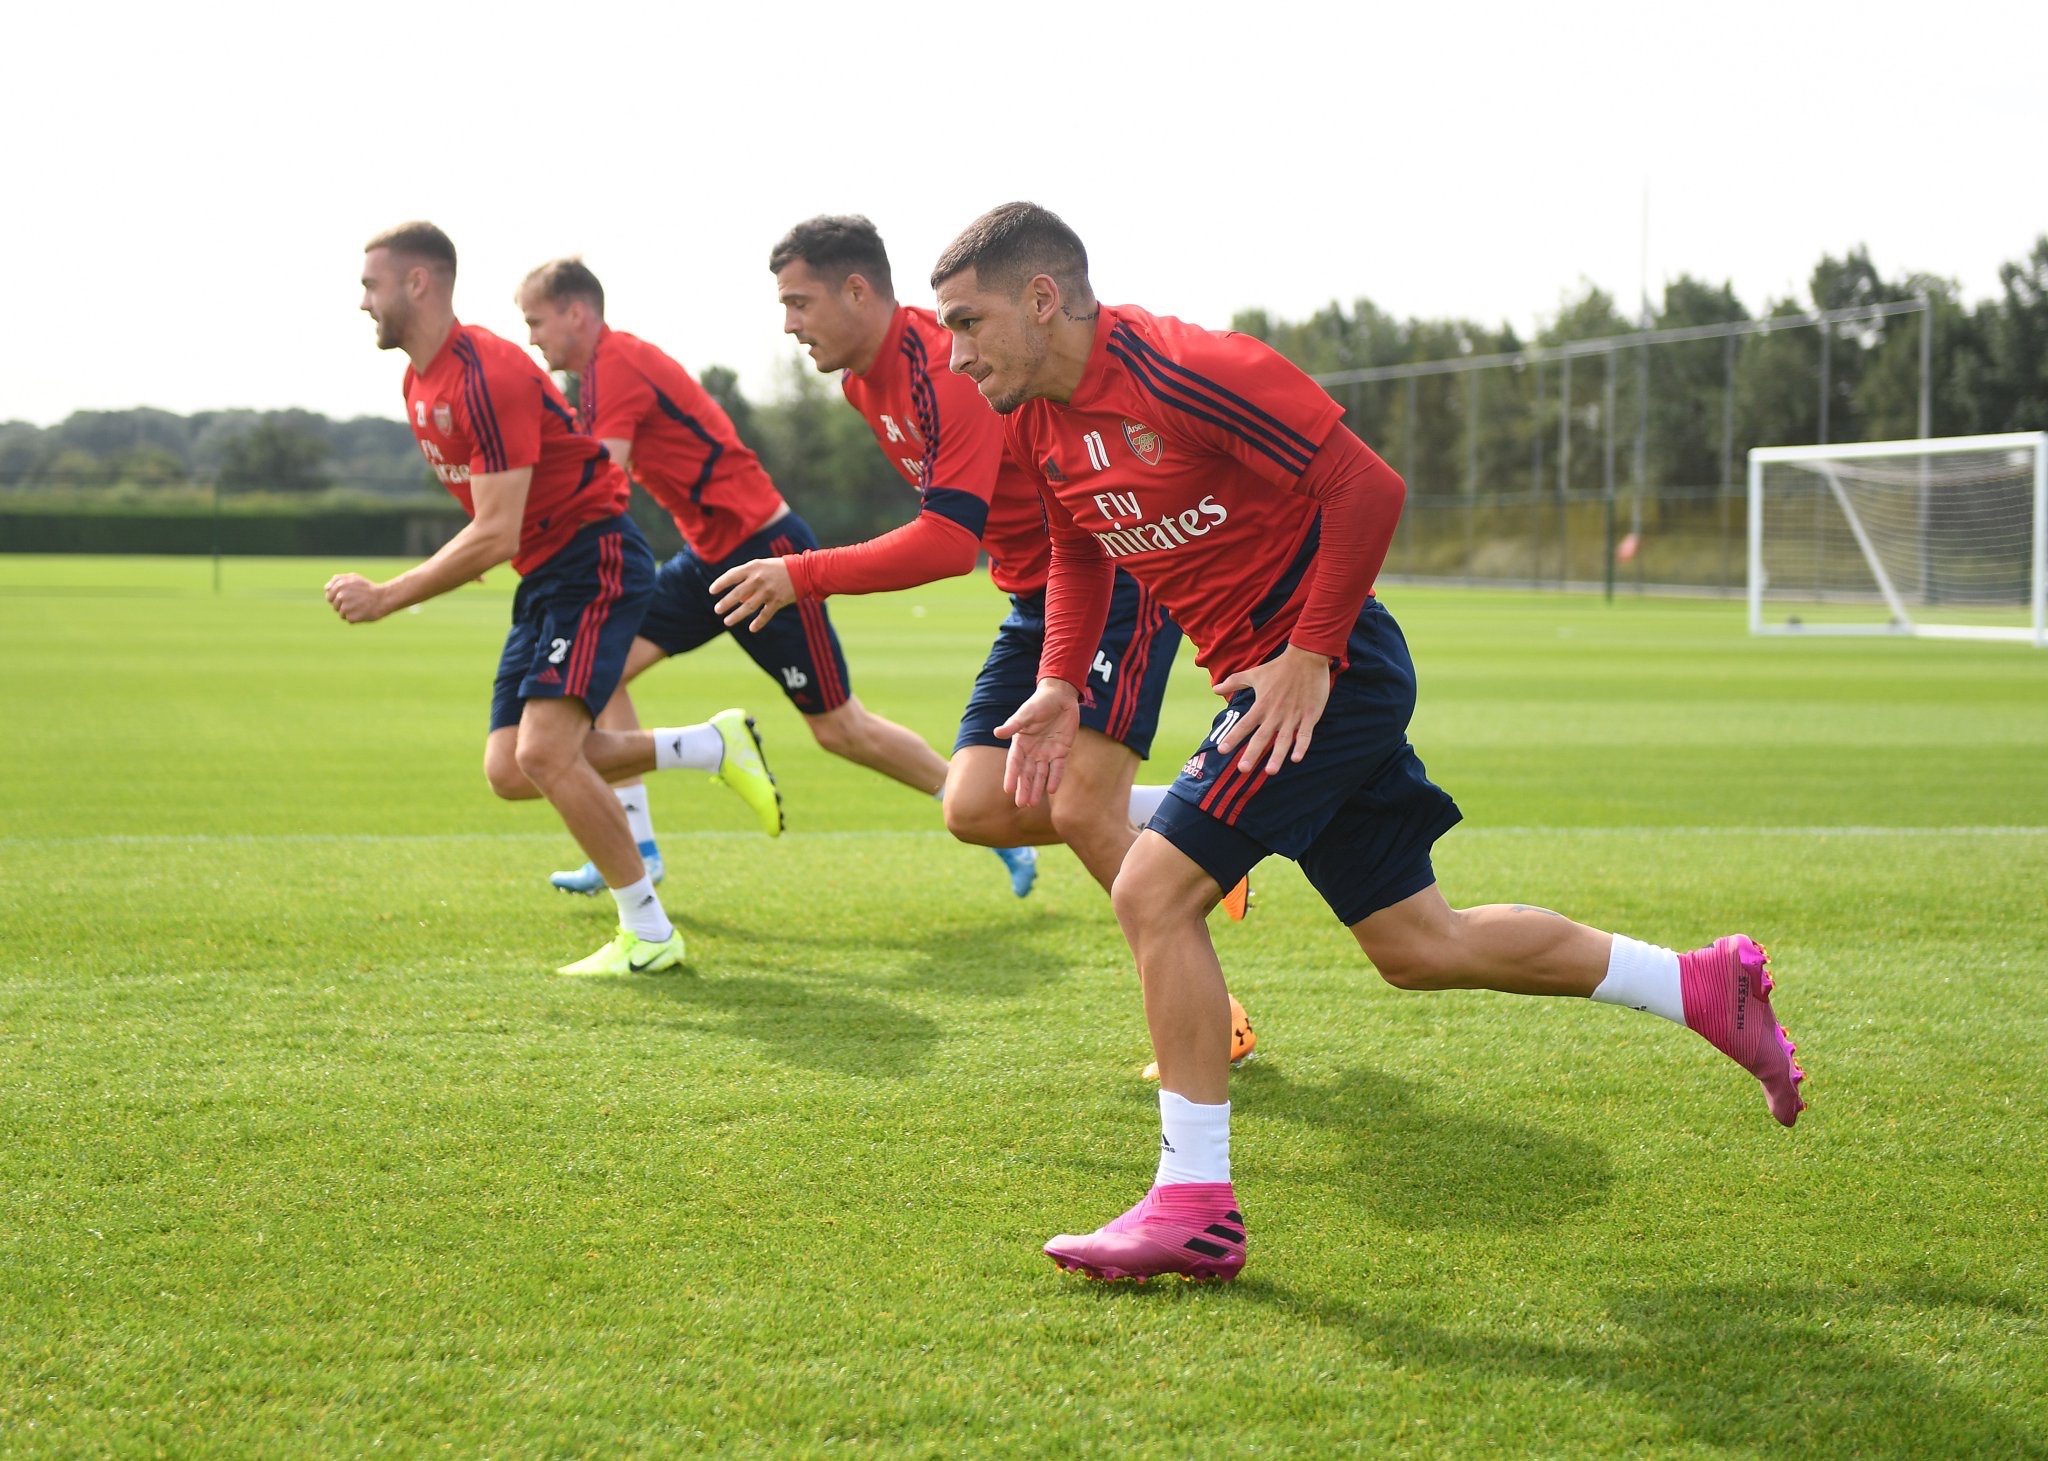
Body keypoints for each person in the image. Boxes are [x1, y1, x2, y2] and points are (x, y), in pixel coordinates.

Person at [929, 202, 1807, 1283]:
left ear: (1041, 298)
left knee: (1150, 891)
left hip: (1326, 678)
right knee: (1416, 946)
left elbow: (1366, 485)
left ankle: (1193, 1206)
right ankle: (1699, 986)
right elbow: (1075, 548)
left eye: (967, 323)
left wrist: (1308, 653)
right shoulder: (1039, 420)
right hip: (1280, 683)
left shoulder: (1184, 368)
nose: (955, 352)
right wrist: (1060, 681)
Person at [708, 215, 1248, 926]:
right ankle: (1184, 830)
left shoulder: (943, 369)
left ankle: (1213, 1011)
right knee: (971, 806)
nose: (788, 324)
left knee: (1083, 807)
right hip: (1032, 598)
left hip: (1106, 578)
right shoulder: (863, 387)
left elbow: (947, 543)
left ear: (858, 290)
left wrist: (800, 574)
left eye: (799, 302)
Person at [336, 221, 776, 976]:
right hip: (547, 572)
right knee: (511, 769)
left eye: (371, 285)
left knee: (546, 751)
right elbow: (492, 511)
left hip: (592, 558)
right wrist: (477, 546)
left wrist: (390, 595)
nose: (361, 301)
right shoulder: (419, 381)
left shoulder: (488, 370)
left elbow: (496, 529)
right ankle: (707, 745)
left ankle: (649, 931)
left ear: (418, 283)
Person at [515, 257, 1029, 896]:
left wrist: (509, 517)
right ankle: (635, 847)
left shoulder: (616, 366)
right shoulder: (595, 377)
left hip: (764, 546)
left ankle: (984, 817)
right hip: (706, 558)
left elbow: (603, 485)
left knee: (840, 729)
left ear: (577, 313)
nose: (532, 338)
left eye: (536, 321)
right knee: (601, 672)